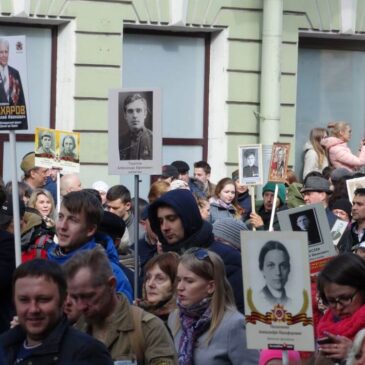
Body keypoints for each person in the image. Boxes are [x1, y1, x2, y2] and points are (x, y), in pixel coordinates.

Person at [64, 248, 177, 363]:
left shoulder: (148, 328)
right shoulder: (74, 330)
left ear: (111, 285)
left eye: (88, 296)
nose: (81, 306)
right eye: (75, 297)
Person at [148, 188, 245, 313]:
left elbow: (237, 313)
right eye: (160, 221)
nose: (165, 227)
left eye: (171, 219)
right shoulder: (165, 258)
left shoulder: (226, 259)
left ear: (188, 217)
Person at [0, 259, 113, 364]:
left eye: (43, 299)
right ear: (14, 301)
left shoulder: (87, 352)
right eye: (24, 300)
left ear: (63, 300)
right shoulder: (4, 346)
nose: (33, 309)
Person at [168, 248, 259, 364]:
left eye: (189, 281)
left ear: (211, 287)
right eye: (178, 280)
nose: (180, 287)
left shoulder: (234, 324)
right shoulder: (175, 318)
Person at [47, 190, 133, 301]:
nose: (62, 226)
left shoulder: (109, 273)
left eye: (73, 220)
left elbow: (120, 315)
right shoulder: (46, 262)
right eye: (61, 217)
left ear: (91, 229)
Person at [314, 253, 365, 364]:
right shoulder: (326, 328)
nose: (338, 307)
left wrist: (354, 354)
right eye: (331, 301)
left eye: (345, 298)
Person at [138, 252, 179, 323]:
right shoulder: (136, 314)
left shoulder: (181, 323)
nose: (150, 284)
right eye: (148, 277)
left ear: (175, 284)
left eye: (160, 278)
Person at [257, 241, 292, 309]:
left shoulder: (294, 304)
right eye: (271, 265)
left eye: (283, 266)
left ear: (289, 268)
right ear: (262, 269)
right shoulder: (256, 301)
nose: (278, 272)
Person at [119, 93, 152, 160]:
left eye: (138, 110)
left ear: (145, 114)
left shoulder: (154, 139)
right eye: (130, 111)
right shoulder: (119, 141)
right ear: (125, 115)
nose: (134, 116)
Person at [0, 38, 26, 106]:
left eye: (6, 52)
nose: (4, 55)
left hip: (14, 115)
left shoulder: (15, 73)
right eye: (1, 52)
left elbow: (21, 102)